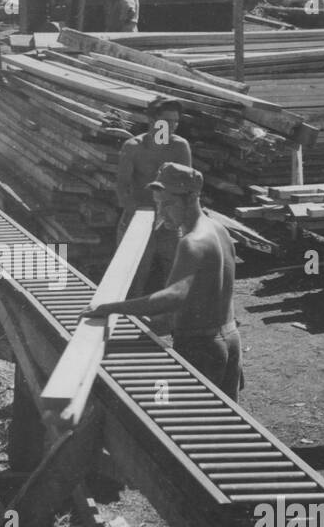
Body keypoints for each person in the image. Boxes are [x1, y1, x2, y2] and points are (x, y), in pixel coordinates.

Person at [90, 162, 243, 400]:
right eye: (159, 204)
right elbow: (206, 294)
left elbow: (174, 297)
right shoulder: (219, 230)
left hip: (202, 347)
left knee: (191, 428)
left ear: (191, 197)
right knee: (227, 424)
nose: (161, 213)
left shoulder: (191, 242)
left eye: (168, 204)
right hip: (230, 338)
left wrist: (111, 308)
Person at [116, 96, 193, 286]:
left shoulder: (180, 146)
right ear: (151, 121)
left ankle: (171, 314)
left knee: (176, 273)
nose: (172, 125)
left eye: (175, 121)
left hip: (168, 218)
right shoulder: (133, 147)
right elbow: (122, 187)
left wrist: (173, 215)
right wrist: (135, 214)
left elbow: (187, 186)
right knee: (135, 274)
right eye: (167, 121)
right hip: (138, 216)